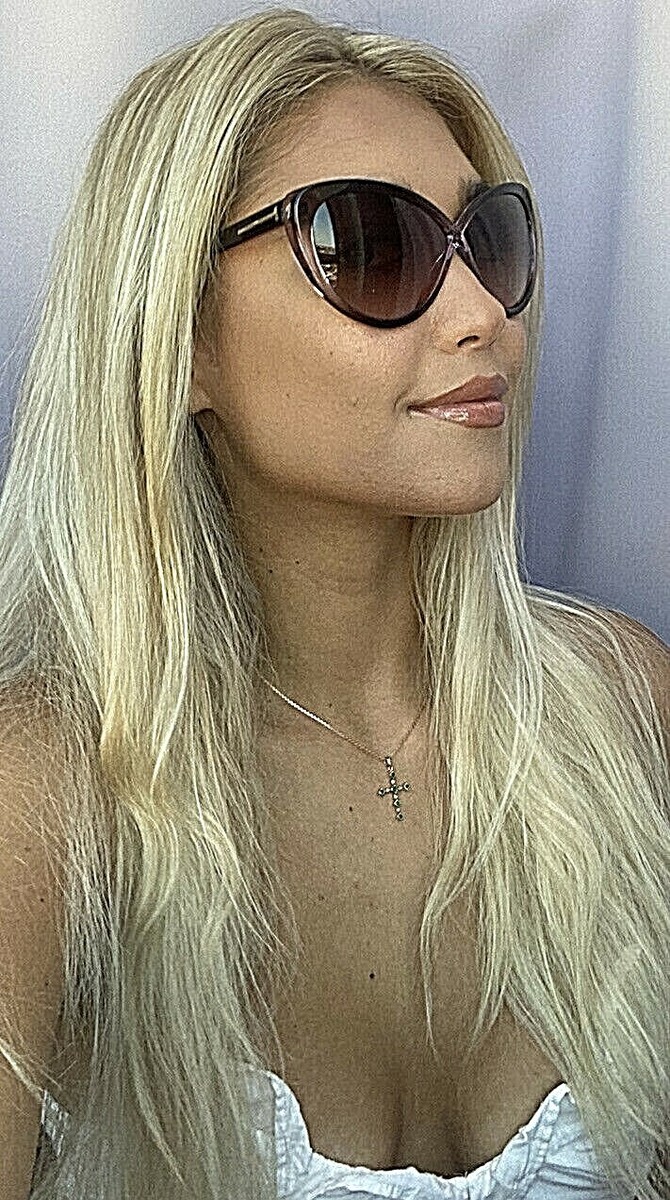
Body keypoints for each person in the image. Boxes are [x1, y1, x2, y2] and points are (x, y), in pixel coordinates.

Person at [0, 7, 668, 1200]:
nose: (483, 315)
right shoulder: (50, 796)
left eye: (488, 243)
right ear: (179, 335)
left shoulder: (621, 710)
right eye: (368, 245)